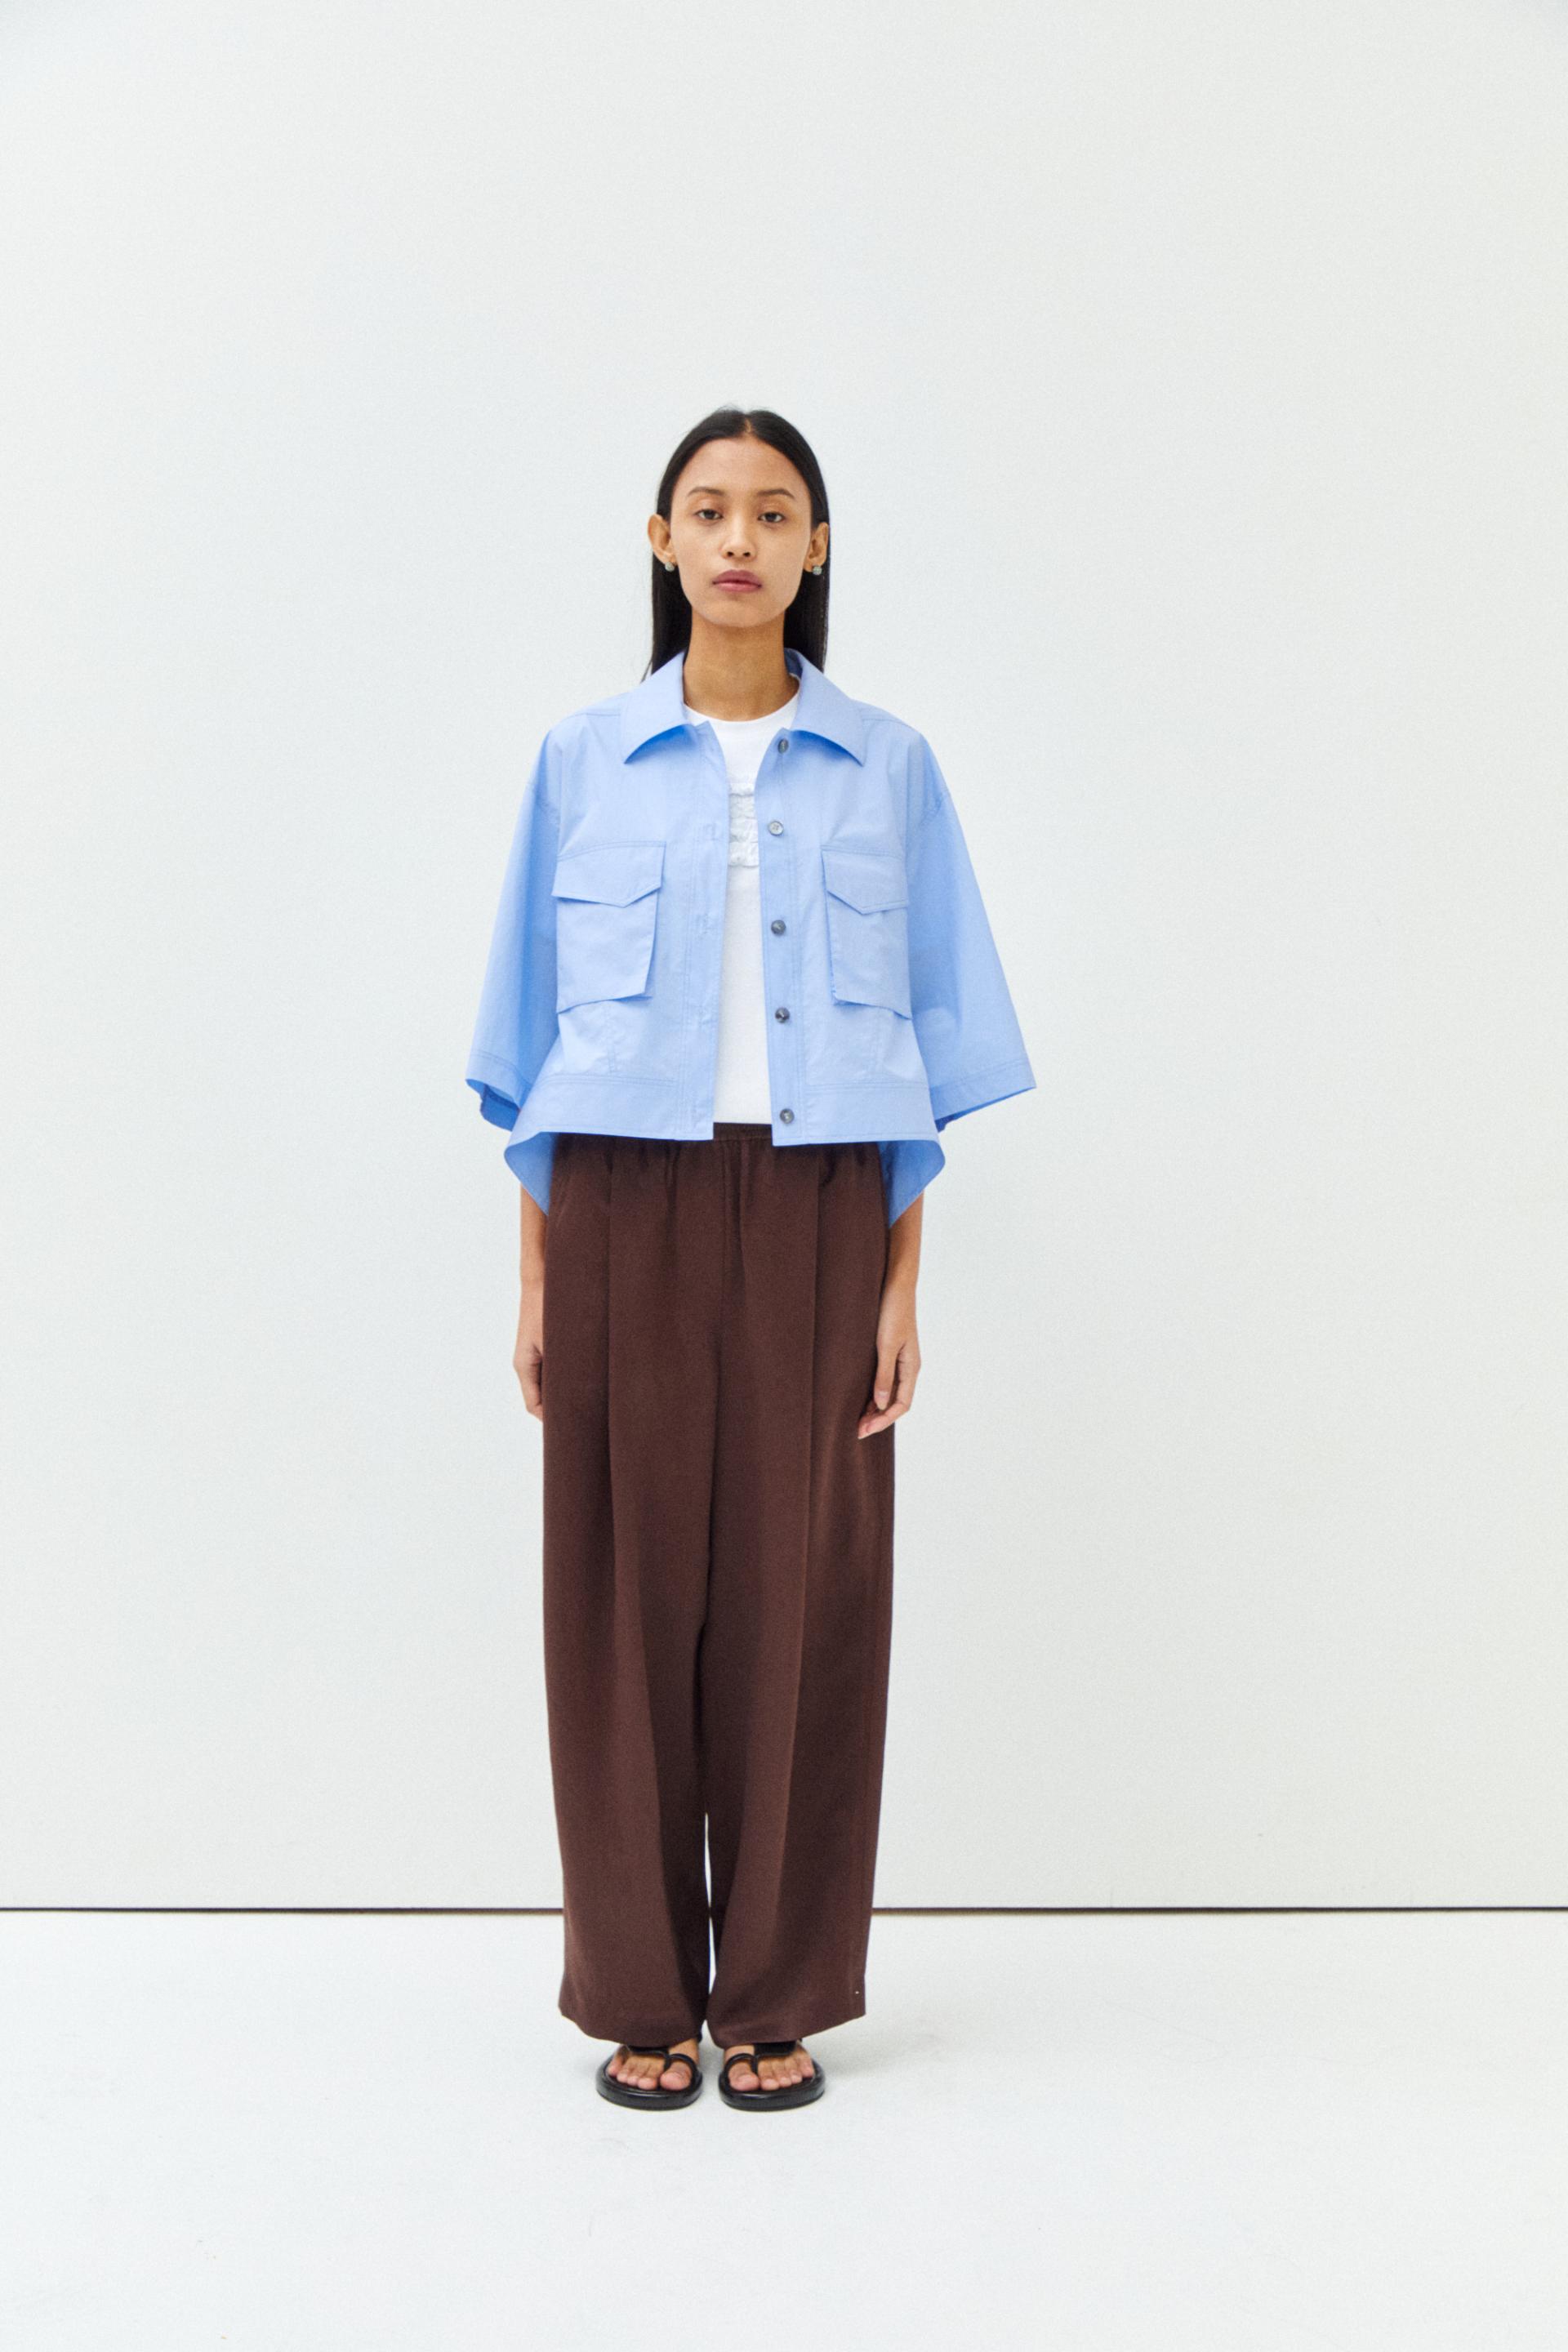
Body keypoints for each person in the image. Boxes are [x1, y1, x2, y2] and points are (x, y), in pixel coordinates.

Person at [466, 405, 1035, 2111]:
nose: (739, 540)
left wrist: (901, 1286)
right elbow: (532, 1044)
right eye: (708, 511)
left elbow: (928, 1041)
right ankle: (640, 1987)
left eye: (773, 513)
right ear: (661, 542)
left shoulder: (889, 767)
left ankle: (778, 1987)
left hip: (819, 1207)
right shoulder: (581, 760)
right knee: (622, 1600)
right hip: (620, 1208)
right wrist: (539, 1279)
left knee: (807, 1601)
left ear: (816, 547)